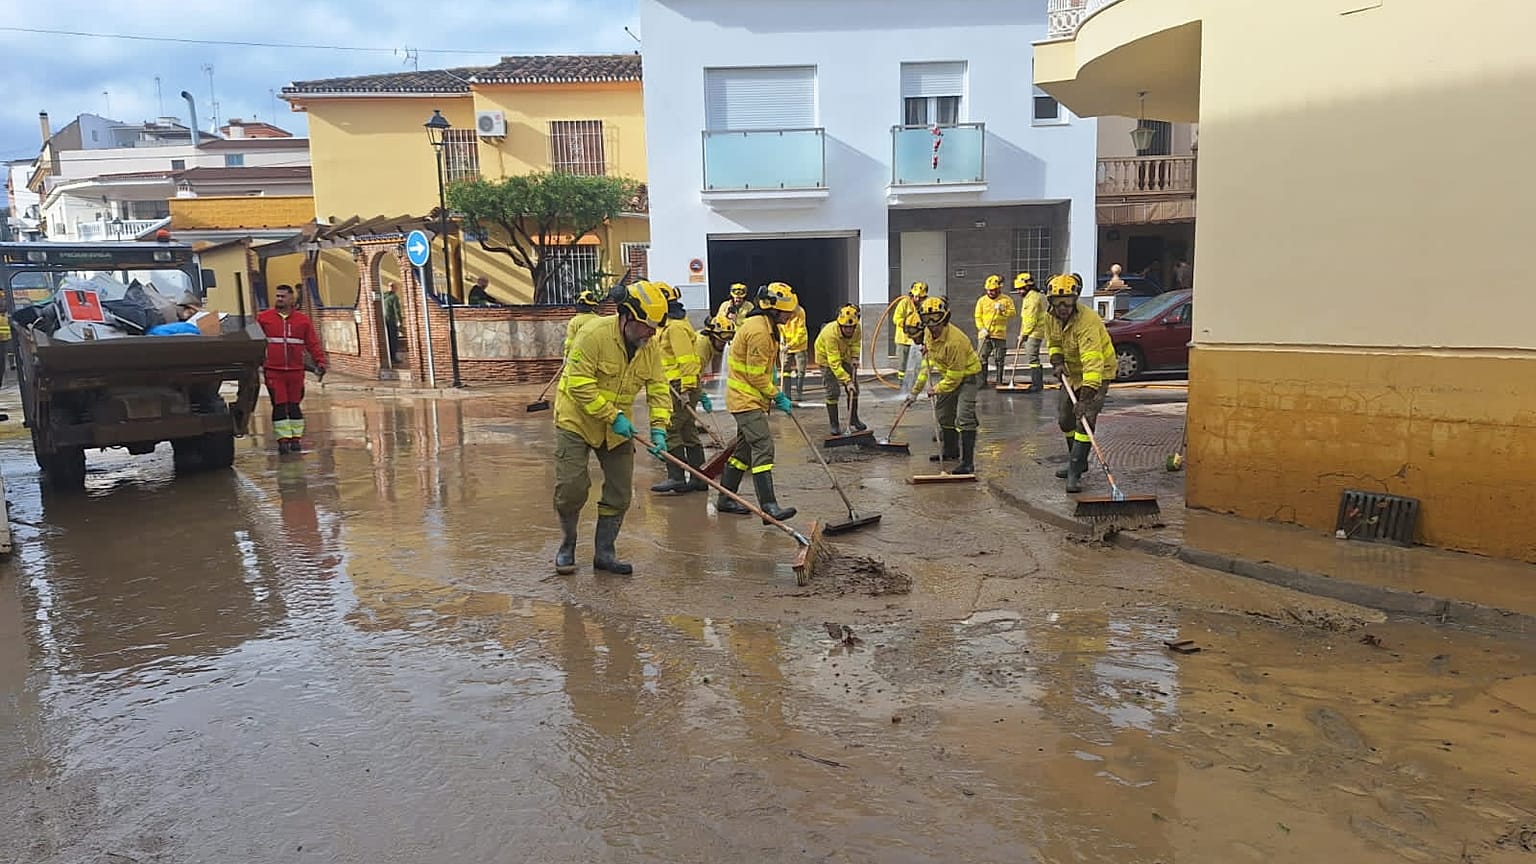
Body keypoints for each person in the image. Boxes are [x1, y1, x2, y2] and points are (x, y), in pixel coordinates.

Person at [553, 280, 672, 576]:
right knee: (572, 488)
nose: (652, 333)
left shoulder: (649, 346)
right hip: (577, 420)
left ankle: (604, 553)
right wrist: (612, 415)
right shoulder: (593, 335)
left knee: (620, 492)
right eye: (647, 326)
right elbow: (579, 386)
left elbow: (658, 387)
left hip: (617, 426)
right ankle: (567, 544)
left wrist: (660, 428)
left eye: (655, 327)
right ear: (627, 317)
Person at [717, 281, 798, 522]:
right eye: (787, 311)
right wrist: (777, 394)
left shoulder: (766, 325)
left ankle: (725, 498)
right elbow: (755, 375)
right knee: (763, 446)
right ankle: (769, 506)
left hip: (750, 399)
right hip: (745, 401)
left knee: (743, 452)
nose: (790, 314)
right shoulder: (760, 331)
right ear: (774, 309)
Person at [1044, 274, 1115, 493]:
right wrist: (1057, 361)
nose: (1063, 307)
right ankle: (1079, 459)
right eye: (1058, 302)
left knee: (1084, 419)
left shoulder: (1088, 321)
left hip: (1097, 374)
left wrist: (1085, 399)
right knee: (1065, 419)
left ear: (1075, 300)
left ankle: (1075, 470)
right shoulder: (1050, 317)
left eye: (1068, 302)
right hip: (1072, 373)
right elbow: (1054, 341)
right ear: (1051, 302)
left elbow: (1093, 363)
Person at [906, 296, 983, 475]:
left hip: (967, 377)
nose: (932, 326)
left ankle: (967, 463)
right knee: (943, 415)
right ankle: (951, 451)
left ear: (944, 319)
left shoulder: (955, 341)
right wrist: (914, 392)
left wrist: (936, 389)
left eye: (936, 322)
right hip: (948, 377)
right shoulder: (927, 334)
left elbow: (955, 378)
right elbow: (927, 365)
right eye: (927, 321)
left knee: (963, 417)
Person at [256, 284, 327, 455]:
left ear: (291, 298)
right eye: (277, 296)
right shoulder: (263, 318)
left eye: (283, 296)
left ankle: (296, 440)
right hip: (273, 370)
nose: (279, 299)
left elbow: (312, 343)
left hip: (295, 371)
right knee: (279, 405)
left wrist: (320, 362)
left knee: (294, 405)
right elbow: (252, 340)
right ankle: (283, 442)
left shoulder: (303, 320)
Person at [651, 284, 708, 495]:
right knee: (688, 431)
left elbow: (687, 361)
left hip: (679, 385)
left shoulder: (675, 328)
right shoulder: (667, 326)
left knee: (671, 429)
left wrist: (687, 389)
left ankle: (676, 477)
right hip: (674, 384)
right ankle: (699, 476)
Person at [815, 304, 865, 436]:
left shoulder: (857, 328)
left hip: (844, 355)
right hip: (826, 359)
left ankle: (854, 419)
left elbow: (855, 342)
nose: (849, 331)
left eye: (851, 328)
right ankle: (834, 424)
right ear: (839, 324)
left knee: (855, 389)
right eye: (846, 328)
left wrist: (855, 357)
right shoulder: (830, 334)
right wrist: (847, 381)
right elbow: (834, 363)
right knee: (833, 391)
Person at [973, 274, 1016, 387]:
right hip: (985, 335)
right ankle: (981, 382)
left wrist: (1003, 310)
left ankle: (999, 381)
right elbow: (978, 316)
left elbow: (1012, 313)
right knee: (982, 358)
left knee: (999, 359)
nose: (991, 292)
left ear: (998, 289)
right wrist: (982, 329)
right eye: (989, 290)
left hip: (999, 335)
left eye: (993, 290)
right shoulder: (982, 301)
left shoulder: (1006, 300)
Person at [1013, 272, 1046, 393]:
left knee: (1032, 358)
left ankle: (1037, 384)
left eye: (1021, 289)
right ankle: (1037, 383)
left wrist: (1024, 334)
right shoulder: (1034, 296)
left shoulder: (1032, 298)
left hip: (1034, 332)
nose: (1018, 291)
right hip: (1035, 331)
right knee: (1033, 358)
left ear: (1028, 287)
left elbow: (1030, 319)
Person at [892, 281, 928, 383]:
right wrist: (905, 324)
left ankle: (916, 383)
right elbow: (896, 318)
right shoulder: (904, 303)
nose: (918, 299)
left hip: (919, 339)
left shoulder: (925, 305)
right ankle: (902, 383)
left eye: (921, 298)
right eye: (916, 297)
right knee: (902, 364)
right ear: (912, 294)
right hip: (904, 339)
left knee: (919, 363)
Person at [563, 286, 606, 356]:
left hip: (578, 356)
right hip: (596, 355)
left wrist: (567, 356)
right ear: (592, 306)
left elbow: (570, 343)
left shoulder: (574, 322)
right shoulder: (599, 320)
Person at [779, 303, 808, 402]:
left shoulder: (800, 312)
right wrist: (781, 338)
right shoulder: (781, 310)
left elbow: (801, 332)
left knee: (801, 371)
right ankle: (786, 394)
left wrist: (790, 345)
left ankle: (799, 393)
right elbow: (780, 326)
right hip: (786, 346)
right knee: (785, 370)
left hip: (799, 346)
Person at [381, 280, 404, 363]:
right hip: (391, 321)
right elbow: (397, 310)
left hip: (384, 321)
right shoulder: (394, 297)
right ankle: (393, 357)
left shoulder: (384, 296)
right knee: (393, 339)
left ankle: (388, 356)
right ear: (395, 288)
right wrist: (399, 321)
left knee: (387, 339)